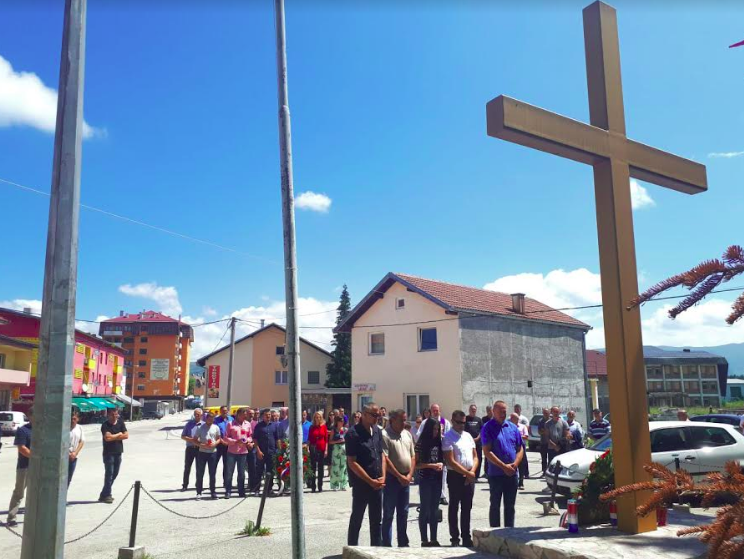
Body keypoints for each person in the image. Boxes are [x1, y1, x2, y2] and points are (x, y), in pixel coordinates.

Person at [346, 401, 386, 547]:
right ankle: (352, 549)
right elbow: (352, 462)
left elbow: (381, 455)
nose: (377, 418)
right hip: (362, 484)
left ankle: (376, 550)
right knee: (357, 518)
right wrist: (370, 481)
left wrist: (383, 477)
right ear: (364, 415)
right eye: (374, 415)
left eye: (379, 415)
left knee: (376, 521)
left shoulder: (377, 431)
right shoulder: (353, 433)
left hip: (377, 484)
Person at [482, 400, 523, 527]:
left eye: (504, 411)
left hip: (512, 473)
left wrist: (515, 464)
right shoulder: (487, 428)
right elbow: (487, 451)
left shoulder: (512, 427)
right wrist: (503, 466)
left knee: (510, 506)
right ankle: (495, 535)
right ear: (493, 411)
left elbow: (520, 448)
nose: (502, 414)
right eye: (500, 411)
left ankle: (509, 533)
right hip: (496, 474)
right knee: (495, 505)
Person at [443, 410, 479, 547]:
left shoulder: (468, 436)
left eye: (464, 422)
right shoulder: (448, 437)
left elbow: (475, 456)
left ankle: (466, 536)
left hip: (470, 474)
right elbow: (450, 461)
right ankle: (454, 538)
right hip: (455, 476)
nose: (461, 425)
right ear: (452, 421)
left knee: (466, 507)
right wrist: (467, 473)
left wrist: (473, 472)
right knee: (454, 507)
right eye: (459, 422)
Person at [381, 408, 416, 548]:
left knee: (404, 512)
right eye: (401, 420)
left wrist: (409, 475)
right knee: (389, 513)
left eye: (405, 419)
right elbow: (385, 459)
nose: (404, 422)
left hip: (406, 479)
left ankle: (403, 542)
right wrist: (399, 476)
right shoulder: (385, 435)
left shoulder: (407, 434)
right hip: (392, 479)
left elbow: (413, 457)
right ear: (392, 420)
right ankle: (387, 545)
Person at [415, 418, 443, 547]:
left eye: (437, 429)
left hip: (437, 479)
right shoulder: (421, 443)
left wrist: (441, 464)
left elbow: (442, 459)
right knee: (425, 509)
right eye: (434, 429)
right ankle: (424, 539)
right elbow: (417, 465)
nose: (436, 432)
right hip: (425, 479)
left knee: (434, 509)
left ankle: (433, 538)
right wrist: (432, 466)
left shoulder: (439, 442)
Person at [418, 404, 450, 505]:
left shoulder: (445, 422)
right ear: (430, 411)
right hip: (428, 450)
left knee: (442, 473)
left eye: (437, 410)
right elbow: (419, 435)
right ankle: (425, 495)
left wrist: (442, 435)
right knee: (427, 472)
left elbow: (448, 436)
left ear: (440, 411)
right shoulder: (425, 422)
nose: (435, 412)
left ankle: (442, 495)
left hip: (440, 449)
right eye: (433, 410)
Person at [6, 408, 32, 526]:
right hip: (25, 467)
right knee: (19, 493)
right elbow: (22, 448)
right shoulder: (23, 430)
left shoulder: (43, 431)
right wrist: (37, 458)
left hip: (41, 467)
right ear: (30, 416)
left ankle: (35, 515)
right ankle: (11, 517)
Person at [100, 408, 128, 504]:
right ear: (108, 415)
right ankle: (107, 495)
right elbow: (107, 438)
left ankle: (104, 494)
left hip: (118, 452)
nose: (115, 416)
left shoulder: (121, 423)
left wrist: (114, 436)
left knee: (115, 474)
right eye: (112, 414)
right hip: (108, 453)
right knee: (109, 474)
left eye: (116, 414)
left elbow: (126, 435)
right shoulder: (105, 425)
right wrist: (119, 434)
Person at [223, 407, 253, 499]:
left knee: (241, 473)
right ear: (238, 415)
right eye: (244, 414)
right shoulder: (230, 424)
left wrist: (247, 440)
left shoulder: (247, 424)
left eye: (246, 415)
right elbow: (226, 437)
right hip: (232, 452)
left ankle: (241, 491)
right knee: (229, 473)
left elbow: (250, 436)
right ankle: (228, 491)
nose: (246, 416)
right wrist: (236, 441)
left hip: (243, 452)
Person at [253, 408, 281, 494]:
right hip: (261, 452)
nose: (268, 416)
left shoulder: (274, 425)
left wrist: (279, 451)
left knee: (270, 471)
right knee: (259, 471)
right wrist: (258, 451)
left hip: (271, 452)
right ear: (263, 416)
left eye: (269, 415)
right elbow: (255, 439)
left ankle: (269, 489)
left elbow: (277, 439)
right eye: (266, 415)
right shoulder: (259, 426)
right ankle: (257, 489)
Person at [195, 412, 222, 499]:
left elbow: (219, 439)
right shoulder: (200, 427)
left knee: (212, 474)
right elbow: (194, 440)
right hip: (202, 452)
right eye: (209, 418)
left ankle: (213, 492)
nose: (210, 420)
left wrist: (215, 444)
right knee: (200, 473)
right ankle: (199, 492)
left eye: (212, 419)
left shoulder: (216, 427)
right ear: (206, 419)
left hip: (213, 453)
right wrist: (201, 445)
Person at [180, 408, 204, 491]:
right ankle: (185, 485)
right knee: (187, 467)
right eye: (195, 414)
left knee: (199, 468)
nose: (197, 416)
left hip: (200, 449)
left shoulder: (204, 425)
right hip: (190, 448)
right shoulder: (189, 424)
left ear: (201, 415)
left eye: (198, 414)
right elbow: (183, 436)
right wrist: (192, 440)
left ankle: (198, 485)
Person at [308, 411, 328, 492]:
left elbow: (326, 439)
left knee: (320, 467)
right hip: (313, 448)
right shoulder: (311, 427)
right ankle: (313, 485)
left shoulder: (323, 427)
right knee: (313, 467)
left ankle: (320, 485)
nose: (317, 418)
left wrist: (326, 450)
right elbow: (309, 439)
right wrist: (308, 449)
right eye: (316, 417)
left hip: (321, 448)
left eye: (319, 417)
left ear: (321, 418)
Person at [509, 413, 530, 490]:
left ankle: (521, 483)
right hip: (511, 448)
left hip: (521, 448)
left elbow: (526, 436)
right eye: (514, 418)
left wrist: (517, 436)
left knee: (521, 466)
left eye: (517, 419)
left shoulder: (522, 426)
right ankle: (512, 482)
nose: (517, 420)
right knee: (512, 464)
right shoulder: (508, 427)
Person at [214, 405, 233, 485]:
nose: (224, 412)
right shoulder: (216, 420)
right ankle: (212, 482)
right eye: (223, 411)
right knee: (214, 464)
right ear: (220, 411)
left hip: (228, 446)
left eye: (226, 410)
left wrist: (229, 442)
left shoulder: (231, 419)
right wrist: (222, 441)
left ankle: (226, 482)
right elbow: (215, 433)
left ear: (228, 411)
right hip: (218, 445)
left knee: (227, 465)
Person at [329, 415, 349, 490]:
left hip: (344, 448)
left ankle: (343, 484)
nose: (342, 422)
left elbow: (349, 439)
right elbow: (330, 441)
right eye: (340, 421)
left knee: (343, 466)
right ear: (337, 422)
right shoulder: (333, 430)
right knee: (335, 466)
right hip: (336, 448)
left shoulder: (345, 430)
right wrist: (337, 441)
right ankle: (335, 484)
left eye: (342, 421)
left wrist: (345, 440)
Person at [464, 404, 483, 482]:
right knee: (468, 458)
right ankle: (468, 474)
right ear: (469, 410)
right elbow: (463, 430)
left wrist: (477, 438)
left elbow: (482, 430)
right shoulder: (466, 419)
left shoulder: (479, 419)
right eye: (472, 409)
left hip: (477, 443)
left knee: (478, 458)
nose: (473, 411)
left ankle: (476, 476)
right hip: (467, 443)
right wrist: (470, 439)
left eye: (474, 410)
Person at [68, 410, 85, 487]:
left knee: (69, 478)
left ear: (78, 419)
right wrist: (68, 454)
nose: (73, 420)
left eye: (74, 419)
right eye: (71, 418)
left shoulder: (80, 428)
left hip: (74, 456)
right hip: (66, 455)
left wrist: (75, 453)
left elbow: (81, 441)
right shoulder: (65, 428)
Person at [537, 408, 550, 476]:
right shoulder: (541, 421)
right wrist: (546, 431)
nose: (545, 414)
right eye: (544, 413)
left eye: (547, 413)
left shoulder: (551, 420)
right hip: (543, 442)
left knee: (551, 458)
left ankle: (550, 472)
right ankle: (544, 471)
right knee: (543, 458)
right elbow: (539, 431)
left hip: (550, 443)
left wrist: (544, 431)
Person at [481, 405, 493, 478]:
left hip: (493, 439)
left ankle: (491, 471)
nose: (489, 412)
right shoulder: (484, 419)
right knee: (486, 456)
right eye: (487, 410)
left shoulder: (495, 418)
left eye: (490, 410)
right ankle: (486, 471)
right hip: (486, 439)